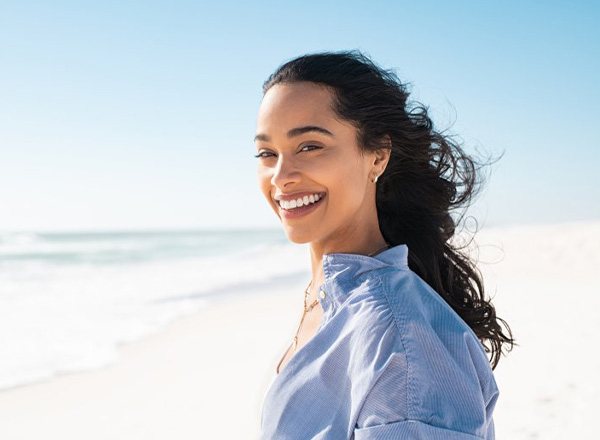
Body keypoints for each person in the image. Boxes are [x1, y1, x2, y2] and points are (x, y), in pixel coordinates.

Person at [254, 50, 514, 439]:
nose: (281, 176)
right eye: (267, 153)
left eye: (310, 146)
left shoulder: (400, 339)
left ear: (377, 156)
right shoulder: (330, 295)